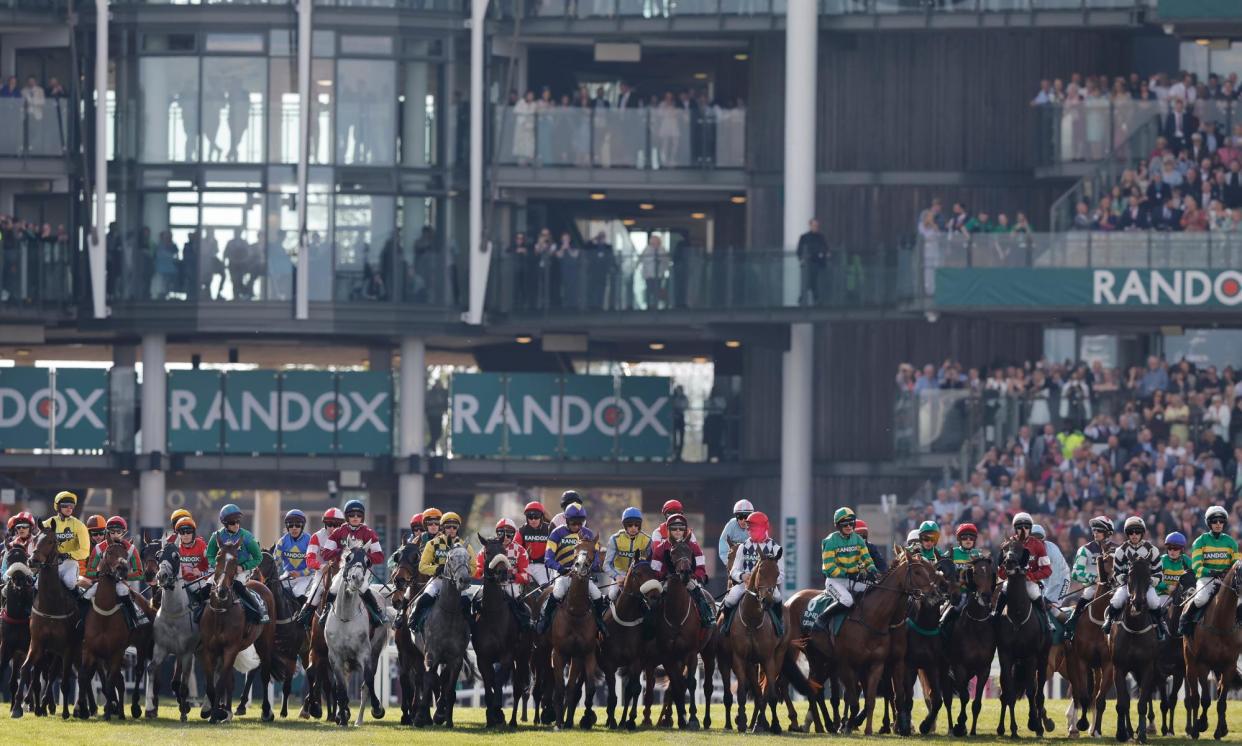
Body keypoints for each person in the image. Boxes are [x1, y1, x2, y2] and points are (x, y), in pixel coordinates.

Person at [538, 504, 608, 636]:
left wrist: (591, 568)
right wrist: (561, 569)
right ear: (567, 521)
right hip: (563, 575)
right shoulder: (557, 533)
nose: (577, 527)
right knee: (558, 592)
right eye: (573, 523)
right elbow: (548, 558)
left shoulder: (588, 534)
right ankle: (546, 620)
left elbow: (596, 559)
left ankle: (599, 621)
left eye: (579, 523)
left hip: (583, 575)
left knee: (597, 595)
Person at [318, 500, 388, 626]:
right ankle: (326, 611)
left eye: (358, 515)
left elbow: (380, 556)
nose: (355, 518)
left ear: (363, 516)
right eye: (352, 515)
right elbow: (325, 553)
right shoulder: (338, 532)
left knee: (363, 587)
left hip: (362, 569)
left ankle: (378, 613)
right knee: (333, 587)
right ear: (346, 517)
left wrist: (364, 556)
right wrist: (341, 551)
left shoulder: (369, 533)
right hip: (344, 569)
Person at [1179, 506, 1241, 636]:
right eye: (1214, 521)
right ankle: (1185, 621)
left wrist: (1227, 573)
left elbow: (1236, 565)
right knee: (1201, 599)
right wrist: (1211, 572)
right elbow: (1196, 566)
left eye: (1221, 521)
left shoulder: (1231, 543)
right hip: (1206, 579)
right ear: (1209, 523)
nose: (1218, 524)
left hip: (1227, 581)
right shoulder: (1200, 541)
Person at [719, 511, 784, 634]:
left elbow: (781, 573)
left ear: (762, 528)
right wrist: (742, 576)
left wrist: (768, 581)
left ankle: (779, 626)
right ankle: (726, 626)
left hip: (767, 586)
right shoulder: (743, 547)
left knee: (778, 597)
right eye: (748, 529)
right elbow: (734, 570)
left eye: (752, 529)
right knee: (731, 598)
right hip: (746, 585)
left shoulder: (775, 548)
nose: (749, 532)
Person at [409, 512, 475, 631]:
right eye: (448, 526)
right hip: (438, 581)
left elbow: (474, 567)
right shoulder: (433, 544)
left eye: (454, 527)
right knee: (424, 599)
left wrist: (463, 571)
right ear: (443, 527)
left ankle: (471, 628)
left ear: (458, 528)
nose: (451, 529)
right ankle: (414, 620)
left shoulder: (466, 546)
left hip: (457, 585)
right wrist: (437, 569)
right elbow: (422, 567)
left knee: (466, 602)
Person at [1103, 516, 1167, 639]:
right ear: (1127, 534)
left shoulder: (1152, 549)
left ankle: (1160, 625)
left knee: (1154, 602)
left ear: (1142, 533)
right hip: (1128, 585)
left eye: (1137, 532)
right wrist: (1125, 579)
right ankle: (1109, 621)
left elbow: (1159, 571)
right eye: (1131, 532)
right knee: (1117, 600)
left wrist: (1152, 581)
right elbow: (1116, 572)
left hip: (1146, 586)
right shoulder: (1121, 550)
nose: (1134, 535)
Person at [205, 504, 269, 624]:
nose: (236, 525)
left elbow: (258, 557)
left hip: (241, 570)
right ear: (225, 524)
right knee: (207, 586)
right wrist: (217, 566)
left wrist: (243, 567)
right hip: (223, 570)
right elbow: (210, 555)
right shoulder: (216, 536)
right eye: (232, 523)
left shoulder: (247, 537)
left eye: (238, 521)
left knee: (238, 585)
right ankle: (198, 613)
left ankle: (258, 612)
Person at [814, 507, 877, 629]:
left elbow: (866, 559)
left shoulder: (858, 539)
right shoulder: (830, 541)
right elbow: (830, 566)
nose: (849, 527)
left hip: (852, 580)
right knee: (847, 601)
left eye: (851, 523)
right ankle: (821, 619)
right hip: (834, 581)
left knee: (874, 590)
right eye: (845, 524)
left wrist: (872, 571)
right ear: (838, 526)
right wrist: (848, 574)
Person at [649, 513, 715, 629]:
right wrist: (665, 576)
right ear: (668, 530)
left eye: (681, 528)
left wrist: (696, 576)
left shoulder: (693, 546)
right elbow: (655, 570)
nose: (678, 531)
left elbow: (700, 565)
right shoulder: (660, 548)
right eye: (674, 528)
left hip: (688, 579)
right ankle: (650, 625)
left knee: (700, 595)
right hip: (667, 582)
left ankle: (708, 617)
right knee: (654, 601)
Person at [83, 516, 148, 628]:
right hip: (102, 582)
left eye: (118, 532)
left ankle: (134, 620)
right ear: (107, 532)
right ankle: (80, 621)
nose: (115, 535)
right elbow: (89, 572)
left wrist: (124, 576)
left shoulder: (131, 549)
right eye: (112, 532)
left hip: (120, 582)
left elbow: (140, 574)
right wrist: (98, 574)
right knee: (87, 594)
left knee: (122, 590)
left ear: (124, 532)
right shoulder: (99, 548)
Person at [992, 512, 1051, 629]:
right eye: (1019, 527)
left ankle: (1047, 623)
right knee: (1003, 590)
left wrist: (1032, 576)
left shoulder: (1038, 545)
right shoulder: (1008, 544)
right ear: (1015, 529)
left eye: (1027, 527)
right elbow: (1002, 574)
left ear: (1030, 528)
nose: (1023, 529)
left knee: (1035, 594)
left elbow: (1047, 570)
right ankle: (995, 619)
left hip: (1029, 582)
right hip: (1012, 580)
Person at [1063, 515, 1116, 640]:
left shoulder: (1118, 549)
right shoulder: (1085, 550)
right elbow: (1076, 573)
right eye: (1094, 530)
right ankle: (1071, 626)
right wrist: (1094, 578)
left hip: (1114, 588)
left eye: (1099, 530)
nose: (1096, 533)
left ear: (1108, 533)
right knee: (1084, 598)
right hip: (1093, 588)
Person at [473, 518, 531, 630]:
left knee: (521, 606)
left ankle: (526, 629)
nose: (505, 537)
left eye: (509, 534)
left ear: (514, 535)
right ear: (497, 533)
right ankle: (472, 626)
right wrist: (481, 573)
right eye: (501, 533)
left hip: (510, 584)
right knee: (474, 600)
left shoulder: (520, 550)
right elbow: (478, 570)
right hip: (491, 584)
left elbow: (526, 576)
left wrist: (513, 576)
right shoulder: (486, 548)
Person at [296, 506, 345, 627]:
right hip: (322, 573)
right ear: (325, 524)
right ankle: (304, 620)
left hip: (343, 573)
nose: (333, 528)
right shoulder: (316, 537)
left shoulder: (346, 536)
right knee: (314, 595)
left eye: (336, 525)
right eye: (330, 524)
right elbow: (309, 559)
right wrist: (320, 566)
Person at [40, 491, 91, 594]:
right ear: (58, 507)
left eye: (71, 506)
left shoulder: (79, 525)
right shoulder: (47, 524)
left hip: (70, 563)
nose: (69, 508)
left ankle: (80, 606)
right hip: (50, 563)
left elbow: (85, 551)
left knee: (70, 582)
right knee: (37, 584)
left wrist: (67, 554)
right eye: (65, 506)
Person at [940, 523, 985, 628]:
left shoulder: (979, 554)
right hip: (957, 594)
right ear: (959, 539)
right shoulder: (952, 553)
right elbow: (941, 569)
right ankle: (942, 626)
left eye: (971, 537)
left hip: (976, 594)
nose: (968, 540)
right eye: (964, 537)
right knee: (954, 609)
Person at [603, 507, 651, 602]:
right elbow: (606, 565)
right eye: (630, 525)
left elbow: (649, 563)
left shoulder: (647, 540)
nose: (633, 528)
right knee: (612, 595)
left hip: (638, 575)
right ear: (624, 525)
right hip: (620, 573)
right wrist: (616, 576)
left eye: (637, 525)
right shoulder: (614, 539)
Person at [273, 509, 314, 602]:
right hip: (287, 575)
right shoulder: (282, 541)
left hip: (306, 577)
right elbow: (275, 561)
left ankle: (303, 616)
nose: (294, 528)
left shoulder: (310, 540)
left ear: (302, 526)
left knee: (297, 592)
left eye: (298, 525)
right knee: (275, 589)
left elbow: (313, 565)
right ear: (287, 527)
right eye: (291, 525)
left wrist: (300, 573)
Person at [515, 501, 553, 587]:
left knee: (546, 588)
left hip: (543, 566)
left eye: (536, 517)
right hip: (525, 566)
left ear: (542, 517)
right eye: (530, 517)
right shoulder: (522, 530)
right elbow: (515, 549)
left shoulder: (549, 529)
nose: (533, 520)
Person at [1033, 524, 1070, 605]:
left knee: (1052, 608)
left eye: (1039, 538)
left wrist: (1046, 598)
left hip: (1061, 580)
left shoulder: (1052, 552)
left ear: (1043, 539)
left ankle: (1063, 617)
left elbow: (1054, 579)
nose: (1037, 541)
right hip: (1044, 581)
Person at [796, 218, 829, 306]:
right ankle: (804, 298)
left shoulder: (821, 237)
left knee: (816, 282)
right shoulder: (804, 237)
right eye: (814, 225)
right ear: (810, 226)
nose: (816, 227)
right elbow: (799, 251)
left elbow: (825, 249)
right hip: (808, 264)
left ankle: (816, 299)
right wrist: (802, 259)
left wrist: (822, 255)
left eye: (817, 226)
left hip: (818, 264)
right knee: (807, 281)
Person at [1157, 531, 1192, 609]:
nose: (1172, 551)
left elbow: (1194, 575)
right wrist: (1167, 586)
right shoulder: (1161, 561)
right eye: (1169, 548)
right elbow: (1154, 581)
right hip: (1164, 595)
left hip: (1181, 595)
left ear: (1182, 550)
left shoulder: (1186, 560)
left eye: (1175, 548)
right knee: (1159, 609)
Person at [717, 499, 753, 571]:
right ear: (736, 517)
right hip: (734, 563)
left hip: (752, 561)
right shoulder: (731, 524)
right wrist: (729, 563)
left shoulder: (755, 526)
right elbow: (723, 543)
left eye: (746, 517)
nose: (743, 520)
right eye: (740, 517)